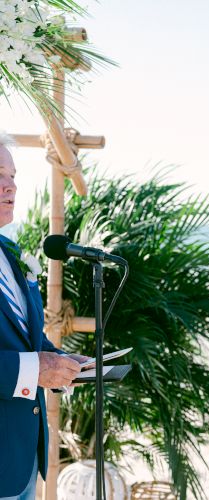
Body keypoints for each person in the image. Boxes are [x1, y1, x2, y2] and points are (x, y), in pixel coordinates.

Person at [0, 136, 83, 499]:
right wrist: (37, 369)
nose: (11, 185)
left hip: (22, 463)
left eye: (14, 175)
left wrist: (61, 362)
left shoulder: (10, 252)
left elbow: (26, 338)